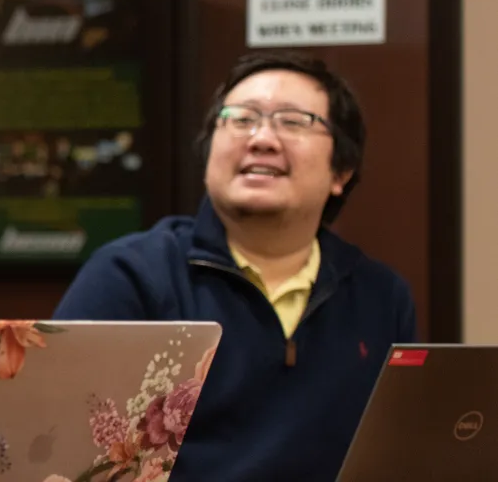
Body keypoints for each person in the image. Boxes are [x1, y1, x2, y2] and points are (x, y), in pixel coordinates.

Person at [53, 50, 416, 481]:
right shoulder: (132, 276)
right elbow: (59, 453)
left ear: (342, 171)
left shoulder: (380, 296)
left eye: (293, 121)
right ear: (209, 157)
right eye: (241, 119)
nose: (262, 138)